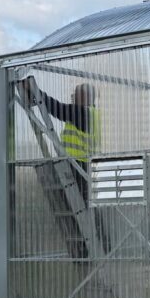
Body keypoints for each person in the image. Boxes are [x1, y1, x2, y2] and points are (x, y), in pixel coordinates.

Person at [19, 76, 106, 255]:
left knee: (83, 212)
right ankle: (102, 247)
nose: (72, 97)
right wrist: (35, 97)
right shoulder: (88, 114)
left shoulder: (83, 113)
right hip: (82, 167)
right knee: (89, 212)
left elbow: (57, 109)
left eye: (76, 95)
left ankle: (93, 250)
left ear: (85, 97)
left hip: (79, 167)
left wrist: (36, 91)